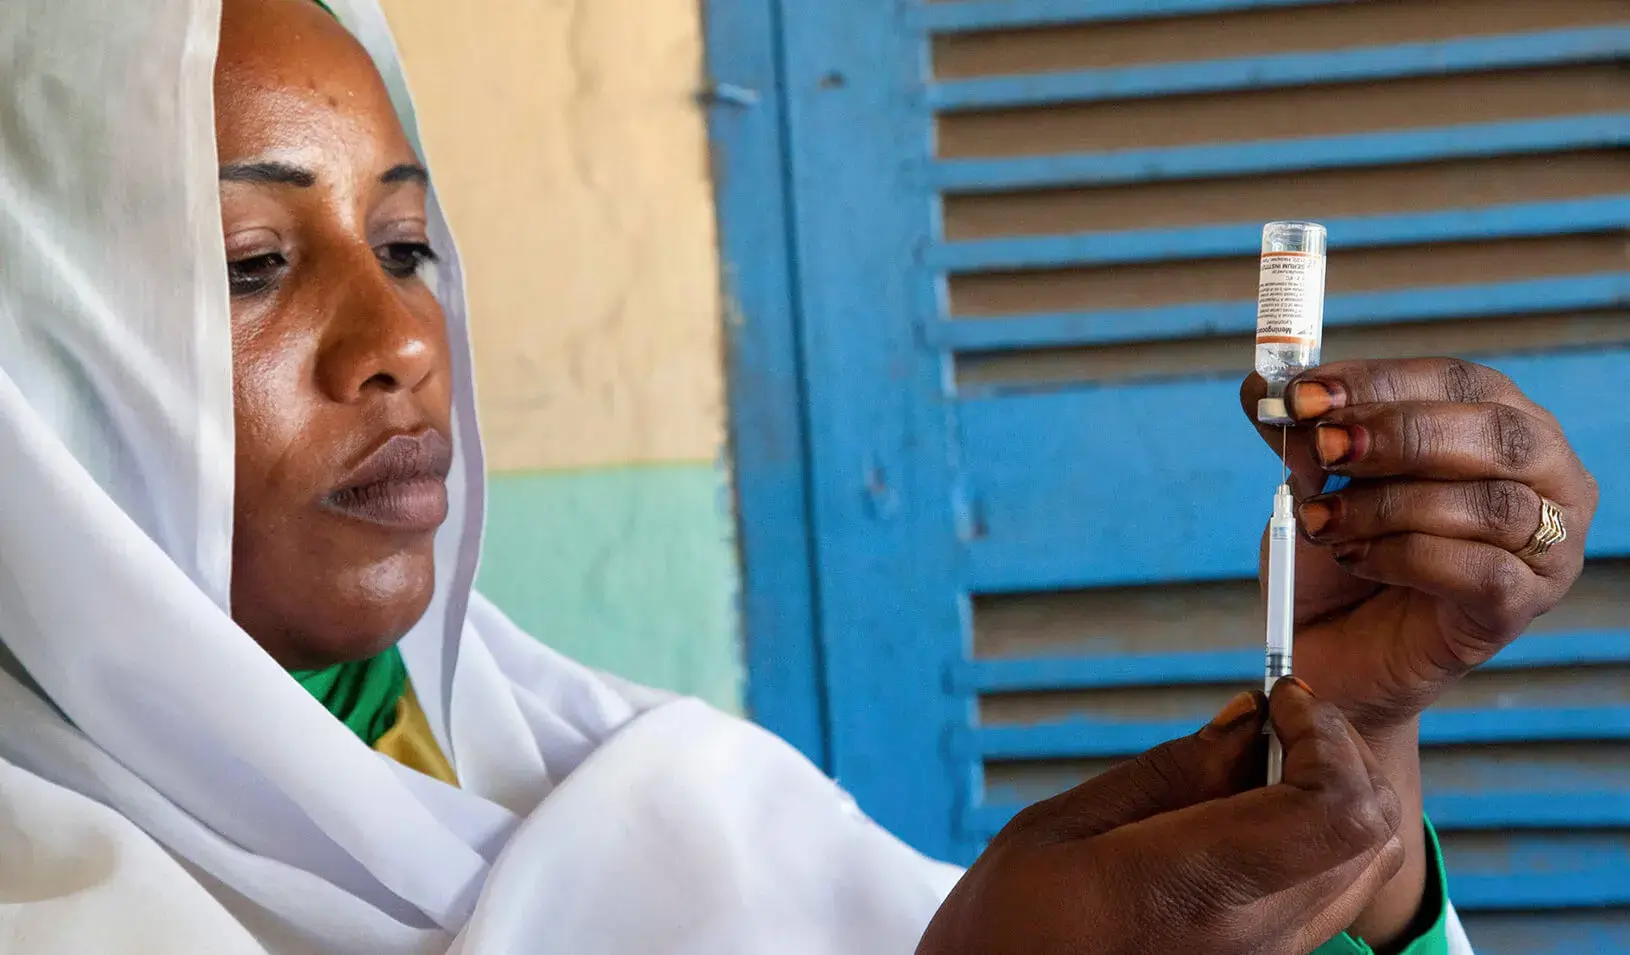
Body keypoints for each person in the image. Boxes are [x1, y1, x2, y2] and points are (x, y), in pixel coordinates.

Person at [0, 0, 1597, 953]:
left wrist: (1355, 789)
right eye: (251, 260)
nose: (403, 341)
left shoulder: (636, 787)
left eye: (410, 244)